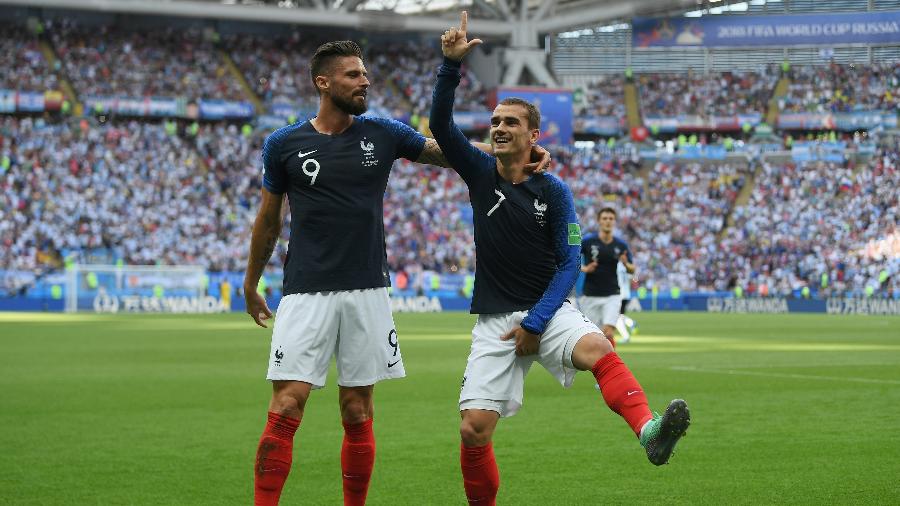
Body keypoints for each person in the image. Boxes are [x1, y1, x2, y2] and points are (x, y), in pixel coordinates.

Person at [243, 40, 549, 506]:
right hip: (305, 291)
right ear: (322, 83)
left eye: (364, 73)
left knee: (357, 409)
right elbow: (268, 219)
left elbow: (446, 151)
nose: (364, 81)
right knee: (286, 404)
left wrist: (512, 152)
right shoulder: (284, 145)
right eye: (352, 75)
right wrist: (251, 281)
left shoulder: (382, 132)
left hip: (368, 290)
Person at [430, 13, 690, 506]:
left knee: (600, 352)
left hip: (546, 309)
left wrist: (537, 321)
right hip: (494, 320)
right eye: (496, 122)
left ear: (533, 135)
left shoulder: (555, 191)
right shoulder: (479, 172)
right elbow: (441, 126)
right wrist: (449, 66)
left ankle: (650, 433)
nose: (500, 128)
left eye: (511, 123)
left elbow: (570, 264)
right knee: (473, 431)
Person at [580, 207, 635, 346]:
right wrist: (585, 268)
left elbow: (632, 269)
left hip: (612, 294)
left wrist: (626, 263)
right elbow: (571, 259)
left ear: (614, 222)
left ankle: (611, 366)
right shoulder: (587, 241)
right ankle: (599, 364)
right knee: (593, 337)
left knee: (608, 331)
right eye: (605, 218)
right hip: (590, 295)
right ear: (599, 221)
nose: (608, 221)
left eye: (611, 219)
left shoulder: (620, 245)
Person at [614, 261, 638, 343]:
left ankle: (626, 336)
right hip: (626, 294)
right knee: (619, 315)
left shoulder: (615, 265)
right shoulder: (626, 265)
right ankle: (631, 323)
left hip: (618, 294)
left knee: (616, 317)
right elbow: (633, 278)